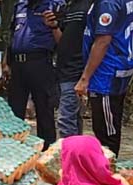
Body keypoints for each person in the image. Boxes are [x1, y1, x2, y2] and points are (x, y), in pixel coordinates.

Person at [74, 0, 133, 156]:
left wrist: (85, 78)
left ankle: (108, 173)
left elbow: (103, 41)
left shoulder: (107, 4)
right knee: (111, 125)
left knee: (106, 133)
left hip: (106, 74)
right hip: (120, 68)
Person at [3, 0, 65, 149]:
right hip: (17, 65)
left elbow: (63, 42)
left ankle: (46, 151)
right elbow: (12, 35)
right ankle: (13, 150)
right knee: (15, 111)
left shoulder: (55, 5)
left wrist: (54, 26)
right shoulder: (20, 5)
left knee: (44, 110)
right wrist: (6, 62)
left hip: (40, 63)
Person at [44, 0, 92, 138]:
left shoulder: (91, 6)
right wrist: (54, 27)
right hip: (63, 70)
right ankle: (77, 154)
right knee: (73, 119)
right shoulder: (67, 7)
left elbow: (99, 39)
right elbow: (62, 42)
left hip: (77, 71)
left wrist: (85, 76)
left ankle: (69, 156)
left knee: (65, 120)